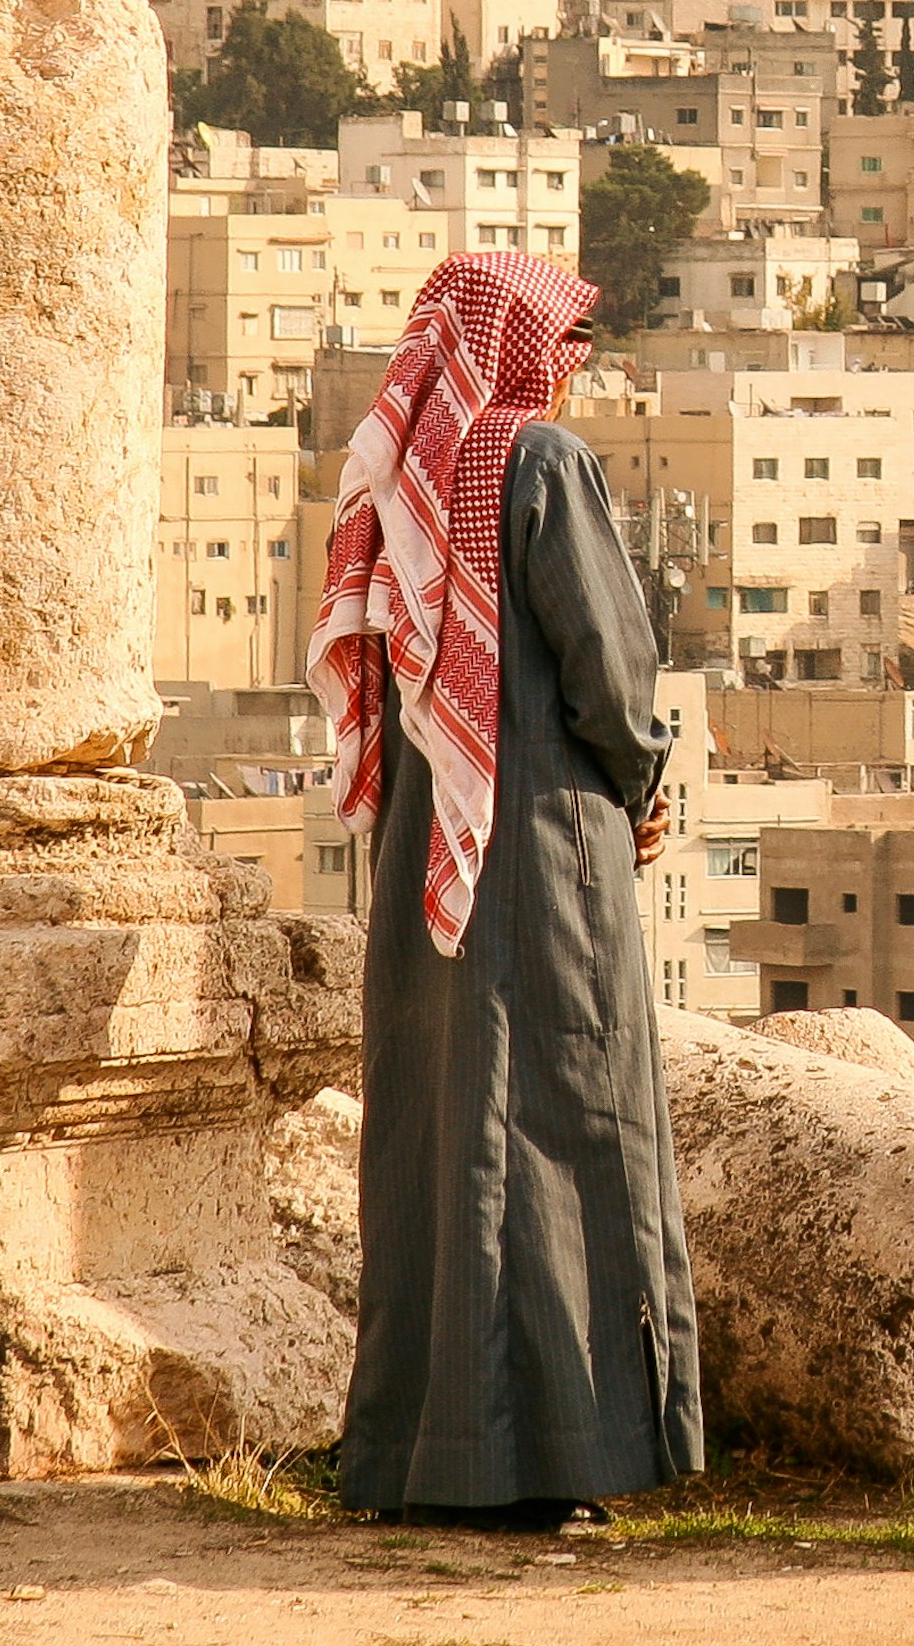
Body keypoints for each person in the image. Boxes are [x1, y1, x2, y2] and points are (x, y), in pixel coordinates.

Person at [312, 253, 703, 1528]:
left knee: (441, 1138)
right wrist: (643, 786)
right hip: (540, 854)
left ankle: (429, 1455)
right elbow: (611, 671)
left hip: (431, 859)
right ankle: (558, 1452)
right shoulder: (540, 462)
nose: (576, 359)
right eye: (564, 334)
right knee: (567, 1127)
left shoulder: (401, 484)